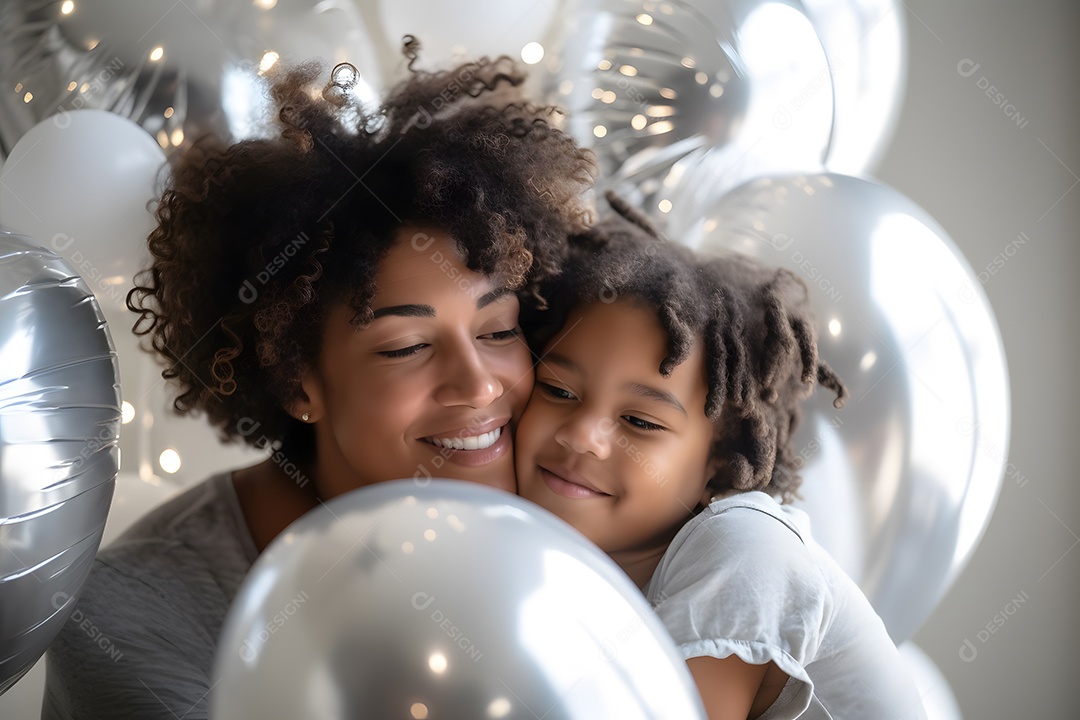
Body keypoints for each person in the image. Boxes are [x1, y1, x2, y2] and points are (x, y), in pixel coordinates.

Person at [41, 51, 597, 720]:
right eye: (408, 346)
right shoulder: (134, 612)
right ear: (299, 384)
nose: (479, 386)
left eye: (499, 331)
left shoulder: (567, 511)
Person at [515, 195, 926, 719]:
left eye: (640, 423)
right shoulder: (577, 577)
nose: (582, 437)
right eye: (557, 390)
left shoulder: (745, 550)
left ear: (721, 464)